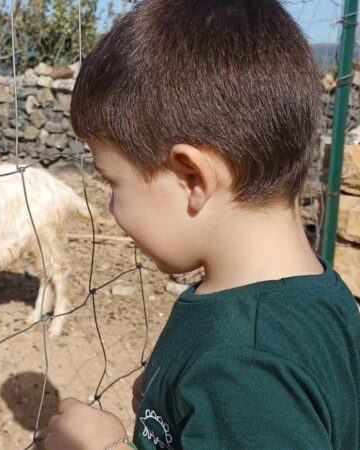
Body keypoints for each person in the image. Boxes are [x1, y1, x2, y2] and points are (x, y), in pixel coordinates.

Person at [46, 0, 360, 448]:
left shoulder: (245, 367)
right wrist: (176, 404)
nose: (113, 210)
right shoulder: (320, 297)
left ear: (191, 177)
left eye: (113, 182)